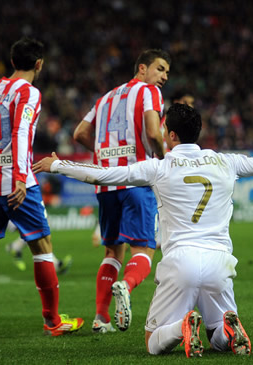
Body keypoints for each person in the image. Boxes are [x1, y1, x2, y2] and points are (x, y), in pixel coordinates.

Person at [32, 103, 253, 357]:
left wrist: (59, 165)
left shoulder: (158, 167)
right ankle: (227, 328)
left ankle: (182, 326)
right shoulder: (227, 162)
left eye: (164, 129)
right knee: (218, 334)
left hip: (180, 262)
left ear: (171, 135)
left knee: (152, 341)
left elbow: (104, 174)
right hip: (219, 261)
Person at [0, 37, 84, 343]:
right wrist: (17, 175)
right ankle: (53, 321)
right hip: (17, 182)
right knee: (42, 246)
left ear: (12, 62)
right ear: (39, 64)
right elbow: (21, 131)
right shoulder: (29, 92)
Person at [72, 49, 171, 333]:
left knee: (112, 251)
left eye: (166, 73)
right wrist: (162, 161)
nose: (163, 77)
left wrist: (106, 157)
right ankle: (126, 286)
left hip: (106, 183)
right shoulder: (149, 91)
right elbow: (153, 133)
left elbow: (79, 133)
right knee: (144, 247)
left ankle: (101, 318)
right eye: (160, 69)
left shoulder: (106, 98)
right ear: (142, 68)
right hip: (137, 180)